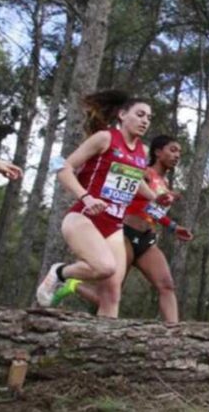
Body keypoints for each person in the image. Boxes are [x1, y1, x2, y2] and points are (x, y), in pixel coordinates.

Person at [35, 90, 172, 318]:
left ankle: (103, 346)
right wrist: (86, 197)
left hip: (114, 226)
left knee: (111, 295)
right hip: (84, 217)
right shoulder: (105, 138)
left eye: (149, 118)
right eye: (140, 115)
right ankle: (60, 272)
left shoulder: (142, 151)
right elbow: (63, 167)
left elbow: (134, 180)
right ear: (122, 115)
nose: (145, 121)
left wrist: (154, 197)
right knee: (104, 267)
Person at [54, 135, 194, 323]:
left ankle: (174, 335)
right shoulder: (143, 172)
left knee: (166, 285)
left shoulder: (165, 184)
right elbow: (129, 199)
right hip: (125, 234)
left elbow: (152, 211)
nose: (177, 156)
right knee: (110, 295)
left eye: (179, 152)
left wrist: (173, 227)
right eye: (173, 150)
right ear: (158, 152)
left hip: (147, 240)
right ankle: (72, 284)